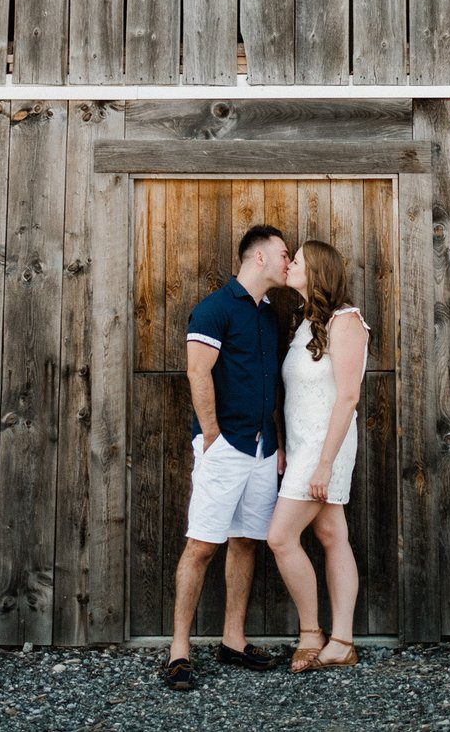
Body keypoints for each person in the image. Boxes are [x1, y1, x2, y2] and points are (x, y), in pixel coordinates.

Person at [162, 224, 290, 693]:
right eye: (283, 253)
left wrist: (274, 440)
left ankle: (233, 641)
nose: (287, 260)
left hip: (262, 451)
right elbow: (198, 371)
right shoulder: (214, 309)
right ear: (259, 257)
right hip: (225, 447)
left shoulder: (271, 316)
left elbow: (271, 383)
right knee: (202, 545)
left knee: (246, 542)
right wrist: (212, 436)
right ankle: (179, 651)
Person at [266, 240, 369, 672]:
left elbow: (347, 398)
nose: (290, 264)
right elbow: (299, 397)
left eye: (299, 260)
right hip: (304, 446)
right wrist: (286, 446)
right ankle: (341, 641)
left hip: (327, 448)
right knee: (331, 537)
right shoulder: (307, 324)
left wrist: (324, 463)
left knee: (280, 537)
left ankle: (313, 633)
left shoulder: (347, 322)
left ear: (318, 271)